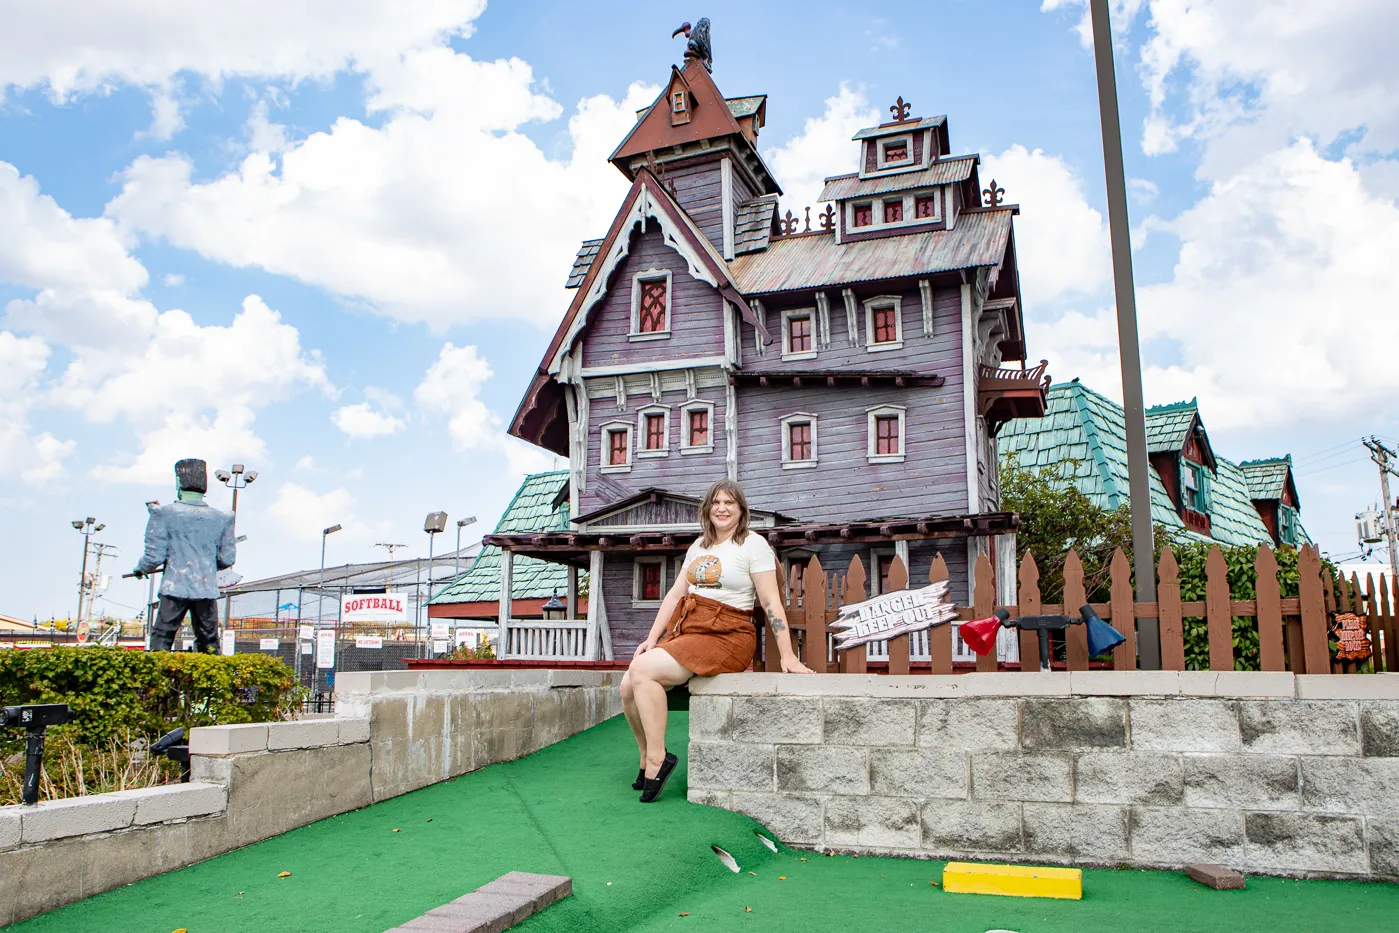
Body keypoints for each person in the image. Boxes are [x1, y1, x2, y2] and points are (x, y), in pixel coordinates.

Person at [620, 479, 813, 802]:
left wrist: (787, 656)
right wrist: (652, 638)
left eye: (730, 503)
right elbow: (675, 594)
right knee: (628, 685)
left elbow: (770, 602)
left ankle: (658, 759)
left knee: (643, 672)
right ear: (707, 509)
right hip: (691, 630)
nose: (722, 508)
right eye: (716, 503)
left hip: (729, 634)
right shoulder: (699, 547)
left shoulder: (753, 545)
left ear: (741, 510)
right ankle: (646, 755)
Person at [132, 458, 237, 653]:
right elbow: (226, 559)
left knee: (162, 639)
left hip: (174, 586)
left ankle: (157, 682)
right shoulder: (222, 518)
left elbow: (154, 556)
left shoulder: (163, 513)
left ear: (179, 483)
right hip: (206, 588)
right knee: (209, 643)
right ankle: (209, 682)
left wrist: (141, 568)